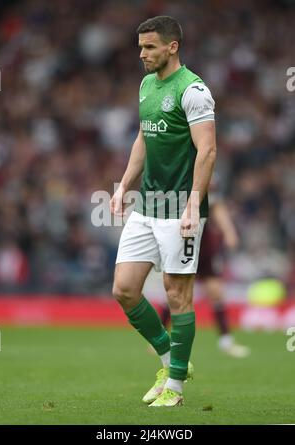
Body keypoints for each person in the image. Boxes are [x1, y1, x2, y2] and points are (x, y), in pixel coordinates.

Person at [110, 16, 216, 407]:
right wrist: (124, 185)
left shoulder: (194, 91)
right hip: (148, 204)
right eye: (140, 47)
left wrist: (192, 204)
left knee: (177, 294)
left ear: (172, 47)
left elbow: (207, 150)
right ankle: (173, 363)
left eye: (150, 47)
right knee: (124, 289)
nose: (142, 54)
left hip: (179, 208)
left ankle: (175, 387)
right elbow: (143, 136)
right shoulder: (145, 85)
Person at [157, 183, 251, 358]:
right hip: (180, 240)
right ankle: (158, 339)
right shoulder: (176, 175)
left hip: (204, 244)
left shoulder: (205, 174)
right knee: (175, 291)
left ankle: (226, 342)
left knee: (216, 292)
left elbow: (216, 205)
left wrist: (229, 231)